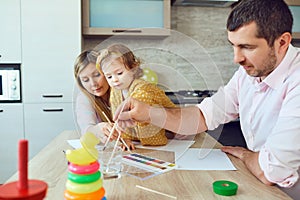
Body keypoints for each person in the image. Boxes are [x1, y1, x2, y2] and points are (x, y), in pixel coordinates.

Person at [113, 0, 300, 198]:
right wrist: (149, 113)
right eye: (233, 46)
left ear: (282, 42)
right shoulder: (247, 74)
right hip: (261, 185)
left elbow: (271, 171)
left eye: (247, 47)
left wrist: (246, 155)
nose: (236, 58)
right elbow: (203, 116)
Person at [96, 43, 178, 149]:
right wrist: (125, 139)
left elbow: (139, 111)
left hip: (173, 131)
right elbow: (118, 117)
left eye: (119, 73)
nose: (114, 80)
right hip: (140, 140)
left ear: (133, 69)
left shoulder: (144, 88)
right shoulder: (115, 91)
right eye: (109, 76)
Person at [74, 50, 113, 143]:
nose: (93, 84)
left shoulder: (121, 90)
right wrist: (97, 130)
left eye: (97, 75)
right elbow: (87, 129)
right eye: (85, 80)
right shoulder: (84, 98)